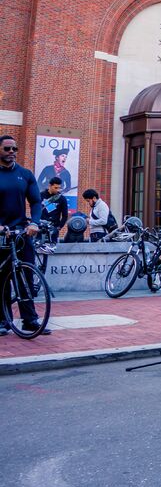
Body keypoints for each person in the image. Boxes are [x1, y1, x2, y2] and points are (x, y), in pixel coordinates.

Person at [0, 135, 49, 336]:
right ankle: (3, 321)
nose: (12, 152)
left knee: (26, 277)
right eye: (7, 149)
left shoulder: (25, 174)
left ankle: (30, 320)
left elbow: (36, 202)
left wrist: (35, 222)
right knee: (1, 278)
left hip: (21, 233)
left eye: (14, 149)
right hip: (2, 233)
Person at [40, 177, 68, 242]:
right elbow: (35, 210)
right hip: (41, 226)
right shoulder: (40, 195)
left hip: (53, 227)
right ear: (50, 186)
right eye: (55, 188)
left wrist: (59, 227)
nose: (58, 190)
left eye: (59, 188)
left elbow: (65, 215)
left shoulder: (62, 198)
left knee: (52, 248)